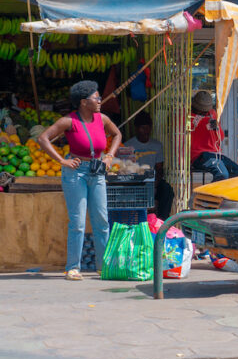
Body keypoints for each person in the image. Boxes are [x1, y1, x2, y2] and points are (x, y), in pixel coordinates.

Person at [38, 80, 121, 281]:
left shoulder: (102, 119)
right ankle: (73, 268)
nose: (100, 100)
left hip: (97, 170)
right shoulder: (69, 121)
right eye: (96, 97)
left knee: (101, 220)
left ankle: (104, 267)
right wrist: (61, 161)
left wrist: (110, 155)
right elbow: (43, 138)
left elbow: (117, 134)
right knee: (78, 222)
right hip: (76, 173)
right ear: (84, 102)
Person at [123, 112, 174, 218]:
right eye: (142, 128)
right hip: (135, 182)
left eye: (147, 128)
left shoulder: (157, 145)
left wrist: (154, 185)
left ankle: (162, 222)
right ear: (136, 129)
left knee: (167, 189)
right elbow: (125, 170)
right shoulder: (128, 145)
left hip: (153, 181)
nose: (145, 131)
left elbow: (159, 169)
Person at [189, 90, 238, 182]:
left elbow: (221, 138)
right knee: (222, 174)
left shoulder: (211, 113)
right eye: (202, 111)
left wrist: (216, 128)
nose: (204, 113)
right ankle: (208, 195)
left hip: (216, 154)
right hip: (199, 156)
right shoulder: (187, 116)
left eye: (205, 111)